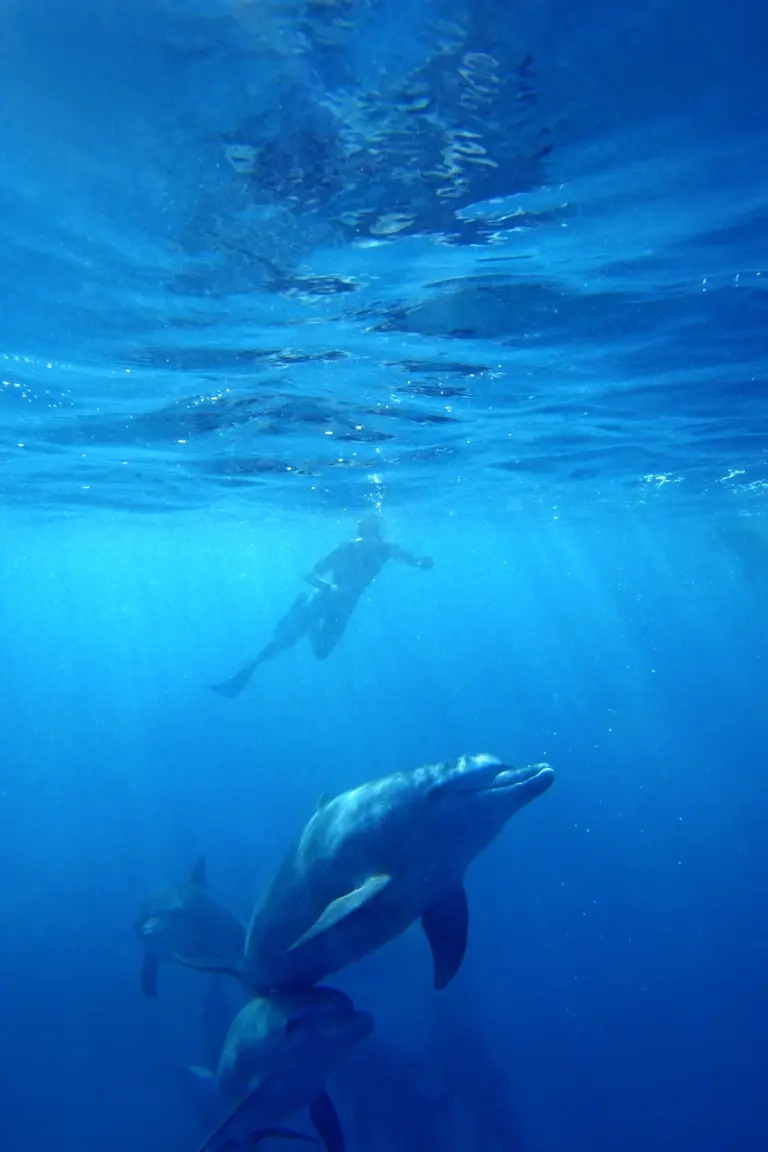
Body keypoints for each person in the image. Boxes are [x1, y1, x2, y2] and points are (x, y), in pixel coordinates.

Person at [208, 516, 433, 698]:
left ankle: (305, 620)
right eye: (366, 535)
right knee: (285, 642)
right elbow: (311, 573)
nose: (367, 540)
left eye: (370, 534)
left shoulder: (384, 549)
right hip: (324, 598)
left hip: (341, 604)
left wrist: (421, 561)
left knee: (321, 652)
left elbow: (411, 558)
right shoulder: (348, 549)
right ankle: (249, 668)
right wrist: (328, 588)